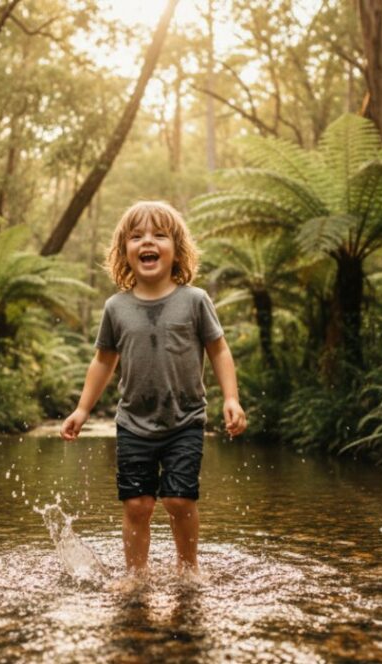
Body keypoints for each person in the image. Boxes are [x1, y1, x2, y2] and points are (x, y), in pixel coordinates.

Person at [60, 200, 246, 578]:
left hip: (186, 420)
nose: (148, 242)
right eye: (137, 236)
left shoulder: (194, 300)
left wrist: (231, 398)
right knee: (137, 504)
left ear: (176, 250)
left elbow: (219, 350)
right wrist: (82, 410)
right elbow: (103, 361)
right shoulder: (116, 307)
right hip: (133, 423)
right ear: (124, 252)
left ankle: (188, 569)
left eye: (160, 235)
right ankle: (136, 575)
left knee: (179, 498)